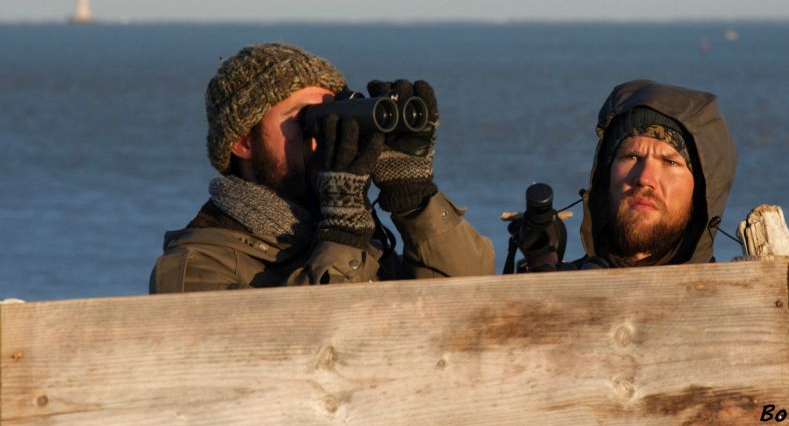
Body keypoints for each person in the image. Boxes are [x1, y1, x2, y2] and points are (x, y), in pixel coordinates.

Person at [150, 43, 494, 293]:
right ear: (243, 143)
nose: (324, 138)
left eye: (335, 117)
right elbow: (316, 358)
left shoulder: (356, 236)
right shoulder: (195, 268)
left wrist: (413, 197)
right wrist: (341, 235)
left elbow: (472, 301)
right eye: (307, 120)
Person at [515, 79, 736, 271]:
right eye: (631, 157)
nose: (644, 178)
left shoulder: (738, 302)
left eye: (670, 162)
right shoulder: (562, 289)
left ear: (703, 191)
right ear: (605, 175)